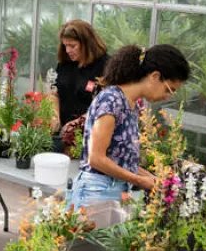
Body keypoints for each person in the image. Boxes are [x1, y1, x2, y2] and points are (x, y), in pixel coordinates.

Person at [69, 44, 190, 209]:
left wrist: (153, 179)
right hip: (96, 193)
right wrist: (140, 180)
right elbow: (96, 158)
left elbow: (121, 160)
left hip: (113, 192)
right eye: (169, 89)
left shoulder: (131, 105)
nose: (167, 97)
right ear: (155, 76)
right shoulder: (111, 100)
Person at [54, 19, 109, 126]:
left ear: (87, 44)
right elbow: (54, 92)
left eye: (72, 46)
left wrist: (77, 124)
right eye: (65, 45)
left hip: (91, 132)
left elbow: (106, 106)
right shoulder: (65, 64)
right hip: (62, 131)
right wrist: (54, 115)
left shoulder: (105, 66)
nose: (67, 50)